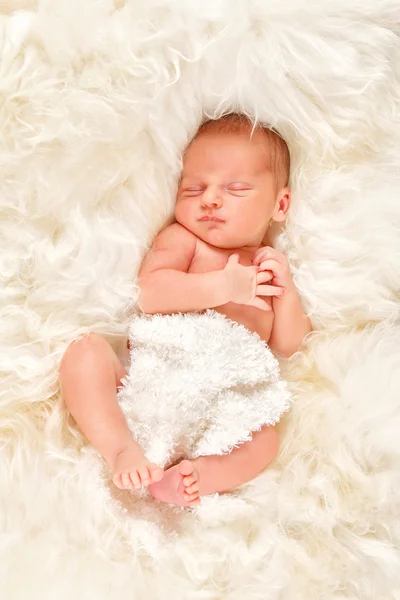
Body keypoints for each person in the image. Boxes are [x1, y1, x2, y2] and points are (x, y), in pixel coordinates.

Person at [60, 114, 312, 507]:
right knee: (84, 352)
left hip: (222, 408)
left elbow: (290, 343)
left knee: (265, 441)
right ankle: (120, 448)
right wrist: (222, 286)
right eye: (193, 188)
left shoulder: (269, 265)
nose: (210, 198)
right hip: (145, 384)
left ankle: (196, 476)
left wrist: (288, 290)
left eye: (236, 188)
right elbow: (150, 292)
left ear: (280, 204)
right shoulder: (186, 241)